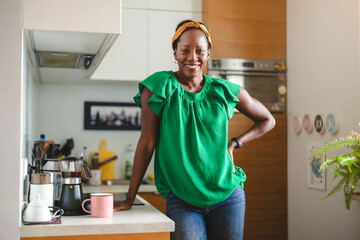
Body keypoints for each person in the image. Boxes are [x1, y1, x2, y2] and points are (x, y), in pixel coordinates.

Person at [114, 19, 275, 240]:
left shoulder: (223, 91)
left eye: (200, 50)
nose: (192, 57)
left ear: (208, 54)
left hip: (228, 196)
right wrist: (130, 198)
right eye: (185, 50)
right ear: (175, 54)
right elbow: (147, 143)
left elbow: (267, 120)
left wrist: (235, 143)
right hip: (183, 200)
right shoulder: (159, 87)